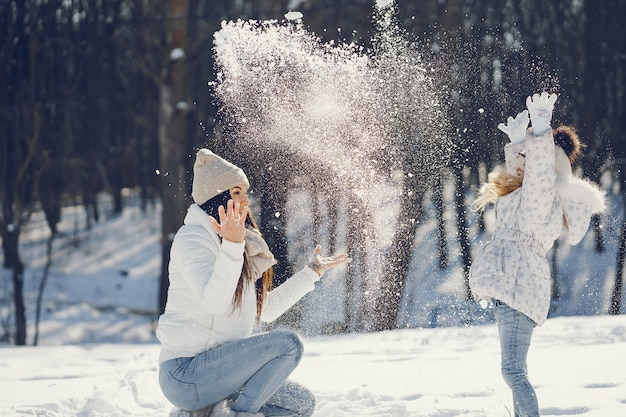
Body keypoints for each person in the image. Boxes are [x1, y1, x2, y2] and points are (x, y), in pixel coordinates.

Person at [156, 148, 351, 417]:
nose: (246, 202)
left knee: (299, 403)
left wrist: (311, 273)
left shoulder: (237, 246)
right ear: (217, 197)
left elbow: (265, 309)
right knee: (288, 344)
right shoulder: (192, 240)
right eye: (237, 192)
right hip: (186, 374)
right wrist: (234, 246)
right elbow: (214, 301)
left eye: (245, 192)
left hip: (222, 371)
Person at [469, 92, 605, 417]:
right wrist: (518, 140)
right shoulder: (520, 193)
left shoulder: (540, 199)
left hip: (519, 290)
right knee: (516, 371)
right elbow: (523, 166)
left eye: (527, 159)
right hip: (512, 290)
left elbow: (539, 170)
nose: (520, 165)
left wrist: (541, 129)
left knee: (512, 372)